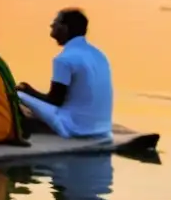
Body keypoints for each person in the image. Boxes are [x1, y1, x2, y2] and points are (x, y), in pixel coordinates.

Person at [17, 9, 113, 138]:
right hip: (102, 127)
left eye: (55, 22)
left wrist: (29, 91)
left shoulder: (64, 59)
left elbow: (55, 100)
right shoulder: (99, 54)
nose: (52, 25)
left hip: (74, 128)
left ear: (65, 28)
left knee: (17, 94)